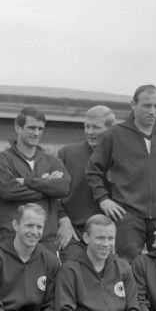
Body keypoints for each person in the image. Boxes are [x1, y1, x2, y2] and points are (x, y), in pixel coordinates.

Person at [87, 84, 156, 260]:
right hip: (128, 215)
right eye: (147, 106)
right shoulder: (115, 135)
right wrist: (103, 199)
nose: (152, 111)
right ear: (133, 104)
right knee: (126, 267)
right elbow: (93, 170)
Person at [0, 107, 69, 252]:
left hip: (46, 240)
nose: (36, 133)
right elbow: (7, 190)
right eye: (31, 128)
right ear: (18, 127)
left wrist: (28, 182)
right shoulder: (3, 159)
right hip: (12, 237)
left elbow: (64, 188)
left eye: (40, 129)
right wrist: (48, 189)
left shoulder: (52, 161)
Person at [56, 105, 114, 260]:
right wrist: (63, 220)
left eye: (96, 127)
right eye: (86, 126)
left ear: (110, 129)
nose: (90, 132)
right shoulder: (67, 154)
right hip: (73, 232)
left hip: (107, 236)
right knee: (72, 274)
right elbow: (52, 193)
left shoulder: (122, 158)